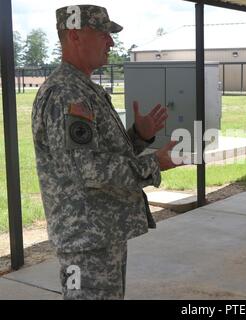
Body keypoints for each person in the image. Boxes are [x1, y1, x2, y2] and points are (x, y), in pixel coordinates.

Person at [32, 5, 178, 300]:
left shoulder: (82, 89)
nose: (111, 42)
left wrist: (139, 136)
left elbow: (93, 155)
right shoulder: (66, 94)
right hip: (85, 243)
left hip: (98, 235)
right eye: (103, 34)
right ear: (75, 36)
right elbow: (90, 169)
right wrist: (154, 163)